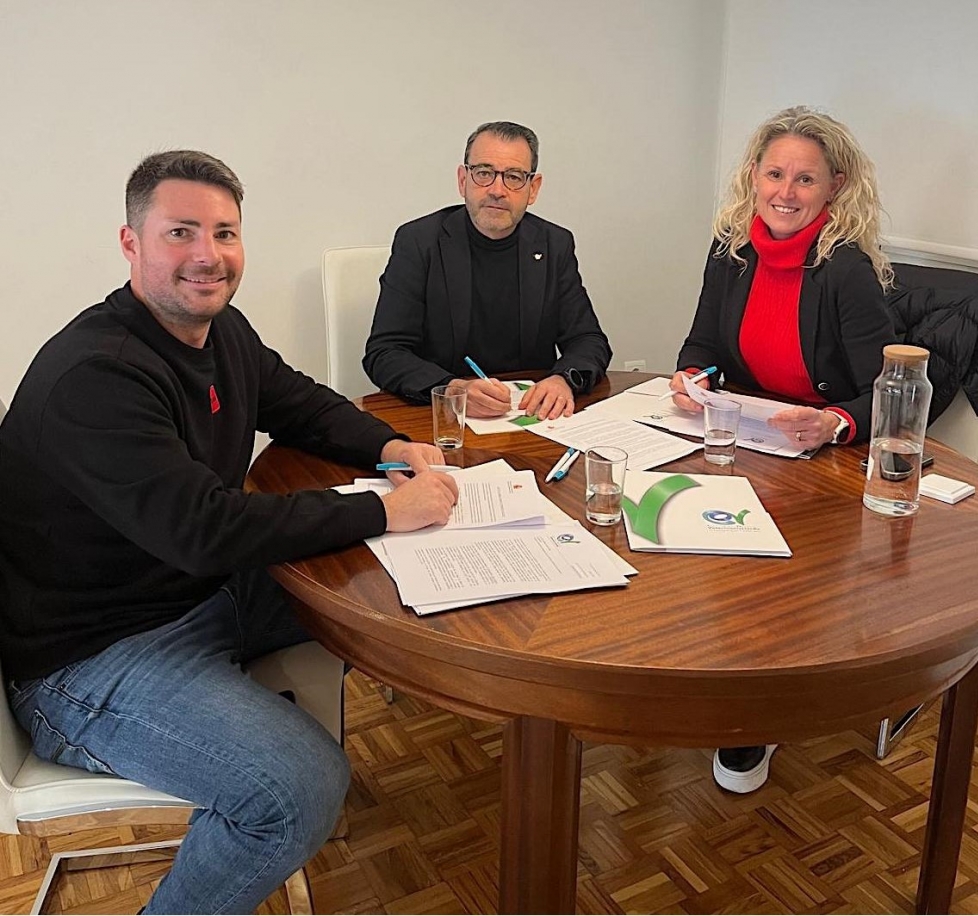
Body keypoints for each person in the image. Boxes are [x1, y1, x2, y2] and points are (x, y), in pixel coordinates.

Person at [0, 151, 459, 913]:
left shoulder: (221, 331)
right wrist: (384, 507)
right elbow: (206, 530)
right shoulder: (97, 376)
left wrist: (388, 448)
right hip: (92, 657)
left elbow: (301, 403)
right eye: (180, 232)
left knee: (391, 585)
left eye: (225, 232)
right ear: (130, 243)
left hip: (193, 592)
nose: (207, 255)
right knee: (298, 792)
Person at [670, 106, 896, 794]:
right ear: (753, 177)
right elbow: (703, 345)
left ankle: (753, 720)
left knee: (768, 596)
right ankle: (687, 680)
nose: (786, 192)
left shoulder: (846, 269)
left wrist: (832, 424)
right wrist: (692, 379)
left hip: (819, 463)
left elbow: (893, 388)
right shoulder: (729, 250)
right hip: (739, 440)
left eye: (805, 179)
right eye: (775, 174)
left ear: (835, 187)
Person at [363, 120, 612, 421]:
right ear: (462, 180)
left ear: (533, 189)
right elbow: (385, 352)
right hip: (444, 424)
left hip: (529, 417)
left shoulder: (554, 244)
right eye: (483, 173)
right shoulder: (419, 242)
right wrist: (452, 389)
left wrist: (563, 380)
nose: (497, 190)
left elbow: (588, 340)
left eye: (514, 177)